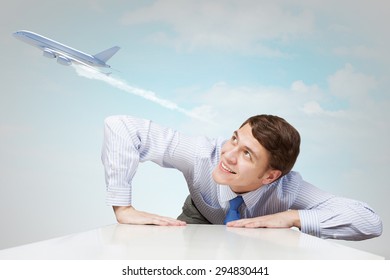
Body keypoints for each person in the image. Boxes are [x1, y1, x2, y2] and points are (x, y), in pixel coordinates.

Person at [101, 114, 382, 240]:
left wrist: (293, 217)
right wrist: (122, 207)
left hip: (257, 233)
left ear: (271, 176)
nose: (228, 155)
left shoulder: (290, 190)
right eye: (234, 139)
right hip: (202, 211)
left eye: (247, 154)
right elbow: (121, 126)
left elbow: (369, 221)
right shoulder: (202, 155)